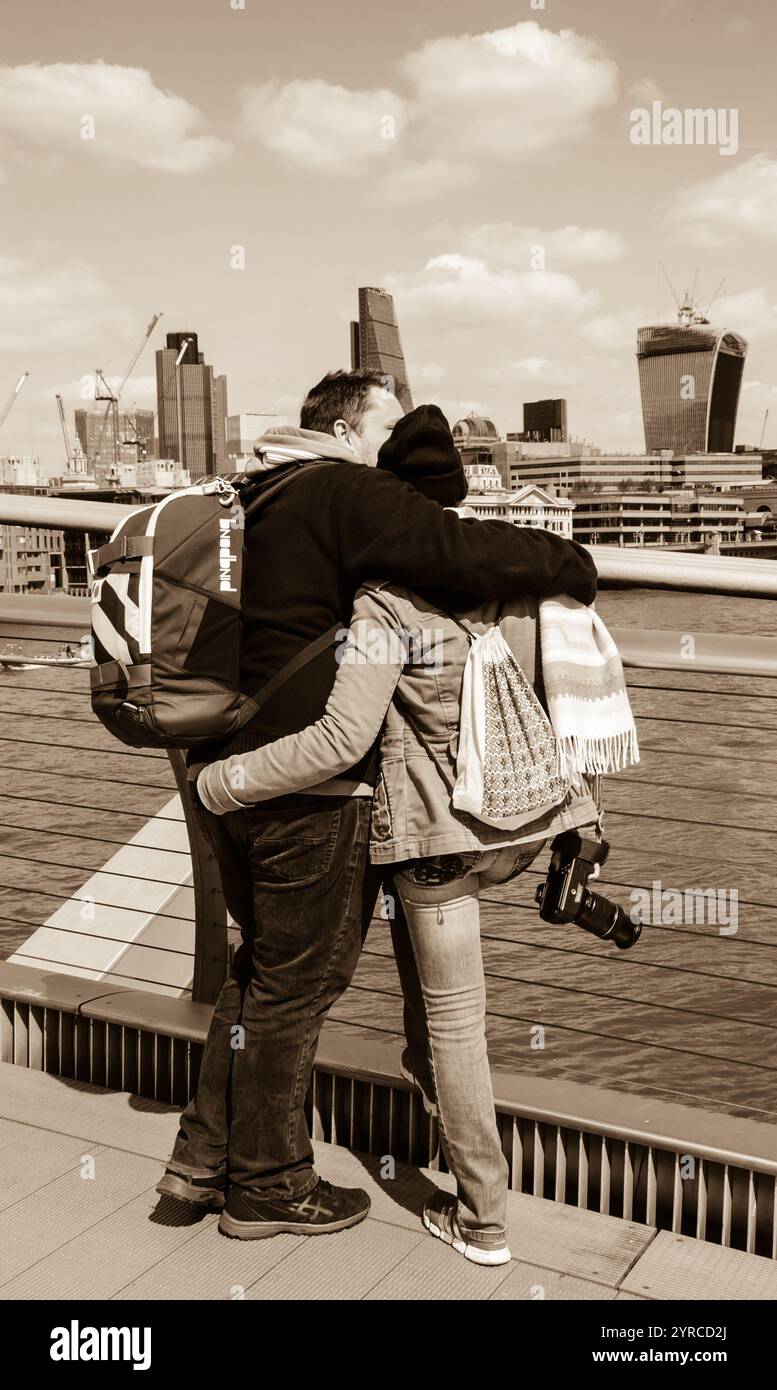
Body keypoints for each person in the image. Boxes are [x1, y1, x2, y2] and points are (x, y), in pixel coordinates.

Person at [157, 373, 598, 1242]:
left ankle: (197, 1167)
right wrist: (570, 564)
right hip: (302, 788)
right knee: (298, 988)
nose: (391, 448)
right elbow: (460, 552)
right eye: (384, 425)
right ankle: (270, 1190)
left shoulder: (254, 491)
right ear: (347, 426)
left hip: (230, 756)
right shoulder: (344, 489)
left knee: (260, 975)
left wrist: (214, 782)